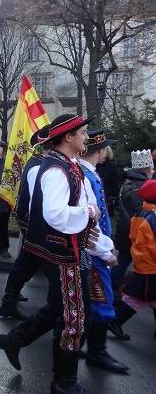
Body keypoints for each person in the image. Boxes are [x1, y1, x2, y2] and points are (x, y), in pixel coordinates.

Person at [0, 113, 101, 394]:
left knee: (61, 307)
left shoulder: (68, 165)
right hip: (63, 253)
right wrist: (89, 213)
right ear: (68, 137)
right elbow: (55, 215)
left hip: (66, 250)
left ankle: (13, 339)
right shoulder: (56, 170)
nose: (86, 137)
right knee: (75, 318)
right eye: (83, 132)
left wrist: (90, 215)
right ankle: (64, 382)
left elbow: (80, 202)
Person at [78, 129, 128, 372]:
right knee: (101, 301)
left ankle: (85, 347)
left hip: (96, 246)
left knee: (94, 301)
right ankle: (96, 351)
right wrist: (104, 251)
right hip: (92, 250)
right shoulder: (85, 176)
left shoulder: (91, 173)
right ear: (99, 150)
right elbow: (91, 222)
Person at [0, 126, 51, 320]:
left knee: (26, 264)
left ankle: (9, 303)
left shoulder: (41, 163)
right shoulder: (38, 166)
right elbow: (37, 200)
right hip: (38, 224)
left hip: (37, 224)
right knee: (36, 265)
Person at [108, 180, 156, 339]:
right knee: (138, 298)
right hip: (151, 266)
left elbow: (133, 236)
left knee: (141, 297)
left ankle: (116, 321)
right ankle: (115, 321)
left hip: (144, 263)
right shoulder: (153, 217)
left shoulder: (141, 213)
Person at [111, 149, 154, 292]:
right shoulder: (140, 187)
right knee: (139, 263)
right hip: (135, 230)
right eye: (152, 168)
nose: (153, 170)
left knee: (123, 260)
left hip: (126, 228)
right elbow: (142, 210)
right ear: (147, 170)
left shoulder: (129, 182)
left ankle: (111, 288)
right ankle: (120, 289)